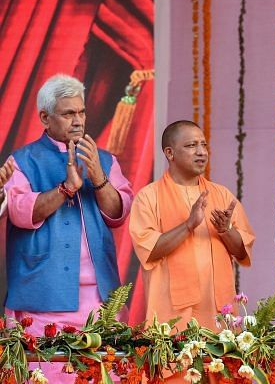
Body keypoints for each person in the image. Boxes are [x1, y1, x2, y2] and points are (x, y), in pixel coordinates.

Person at [4, 74, 133, 382]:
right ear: (45, 118)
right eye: (68, 113)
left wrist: (98, 177)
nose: (78, 121)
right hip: (43, 303)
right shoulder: (22, 160)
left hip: (101, 302)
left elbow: (119, 212)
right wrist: (65, 188)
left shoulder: (104, 160)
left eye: (82, 112)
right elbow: (21, 212)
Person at [129, 120, 255, 332]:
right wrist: (188, 225)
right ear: (170, 153)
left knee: (217, 366)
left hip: (218, 314)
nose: (201, 152)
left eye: (204, 145)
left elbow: (242, 251)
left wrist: (226, 231)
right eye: (191, 146)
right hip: (171, 315)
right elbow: (149, 250)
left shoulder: (221, 195)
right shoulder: (148, 197)